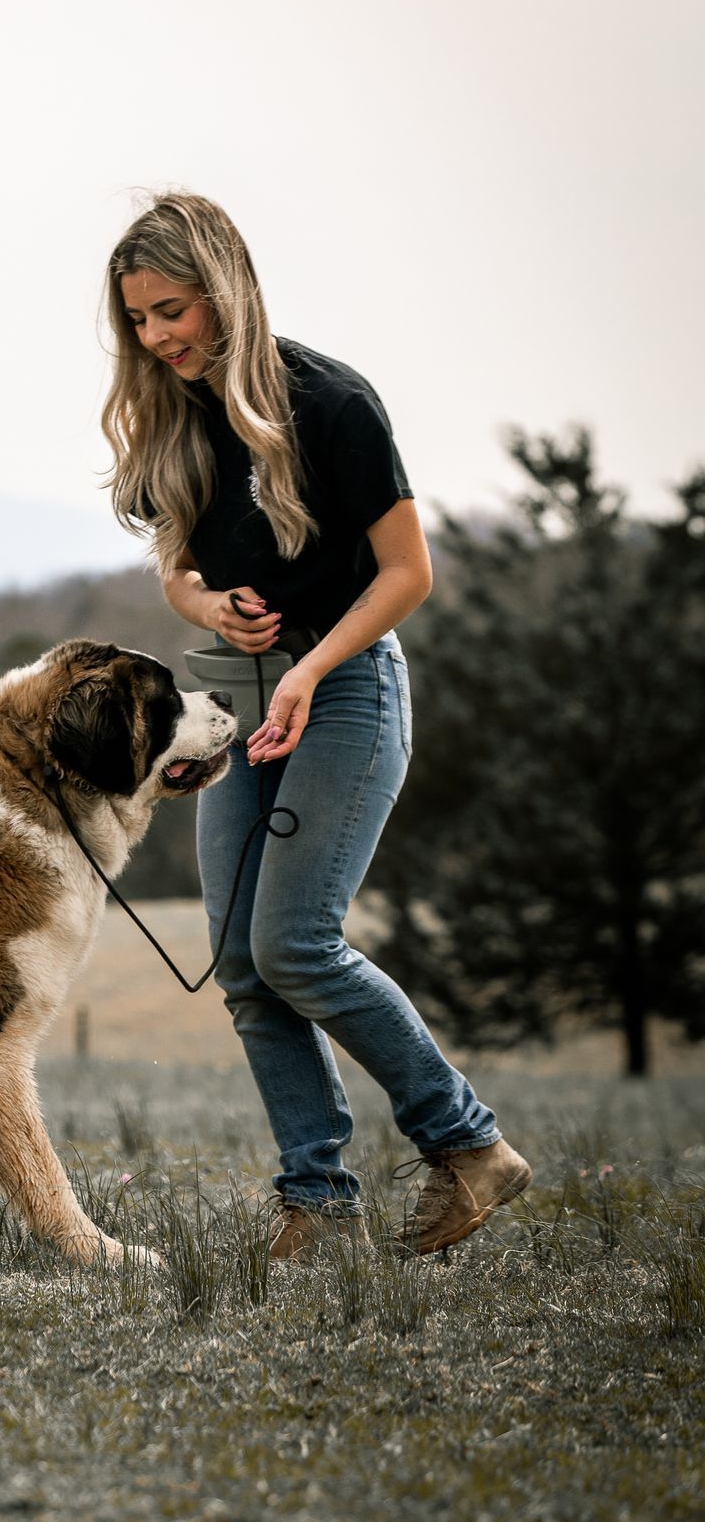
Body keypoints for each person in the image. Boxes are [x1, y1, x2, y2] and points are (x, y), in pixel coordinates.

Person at [98, 191, 530, 1259]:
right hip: (236, 694)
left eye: (171, 311)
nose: (158, 339)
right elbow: (179, 569)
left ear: (223, 289)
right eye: (139, 322)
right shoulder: (171, 412)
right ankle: (318, 1205)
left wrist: (310, 669)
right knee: (241, 963)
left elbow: (408, 575)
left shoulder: (333, 403)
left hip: (343, 690)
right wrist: (209, 610)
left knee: (293, 942)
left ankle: (468, 1146)